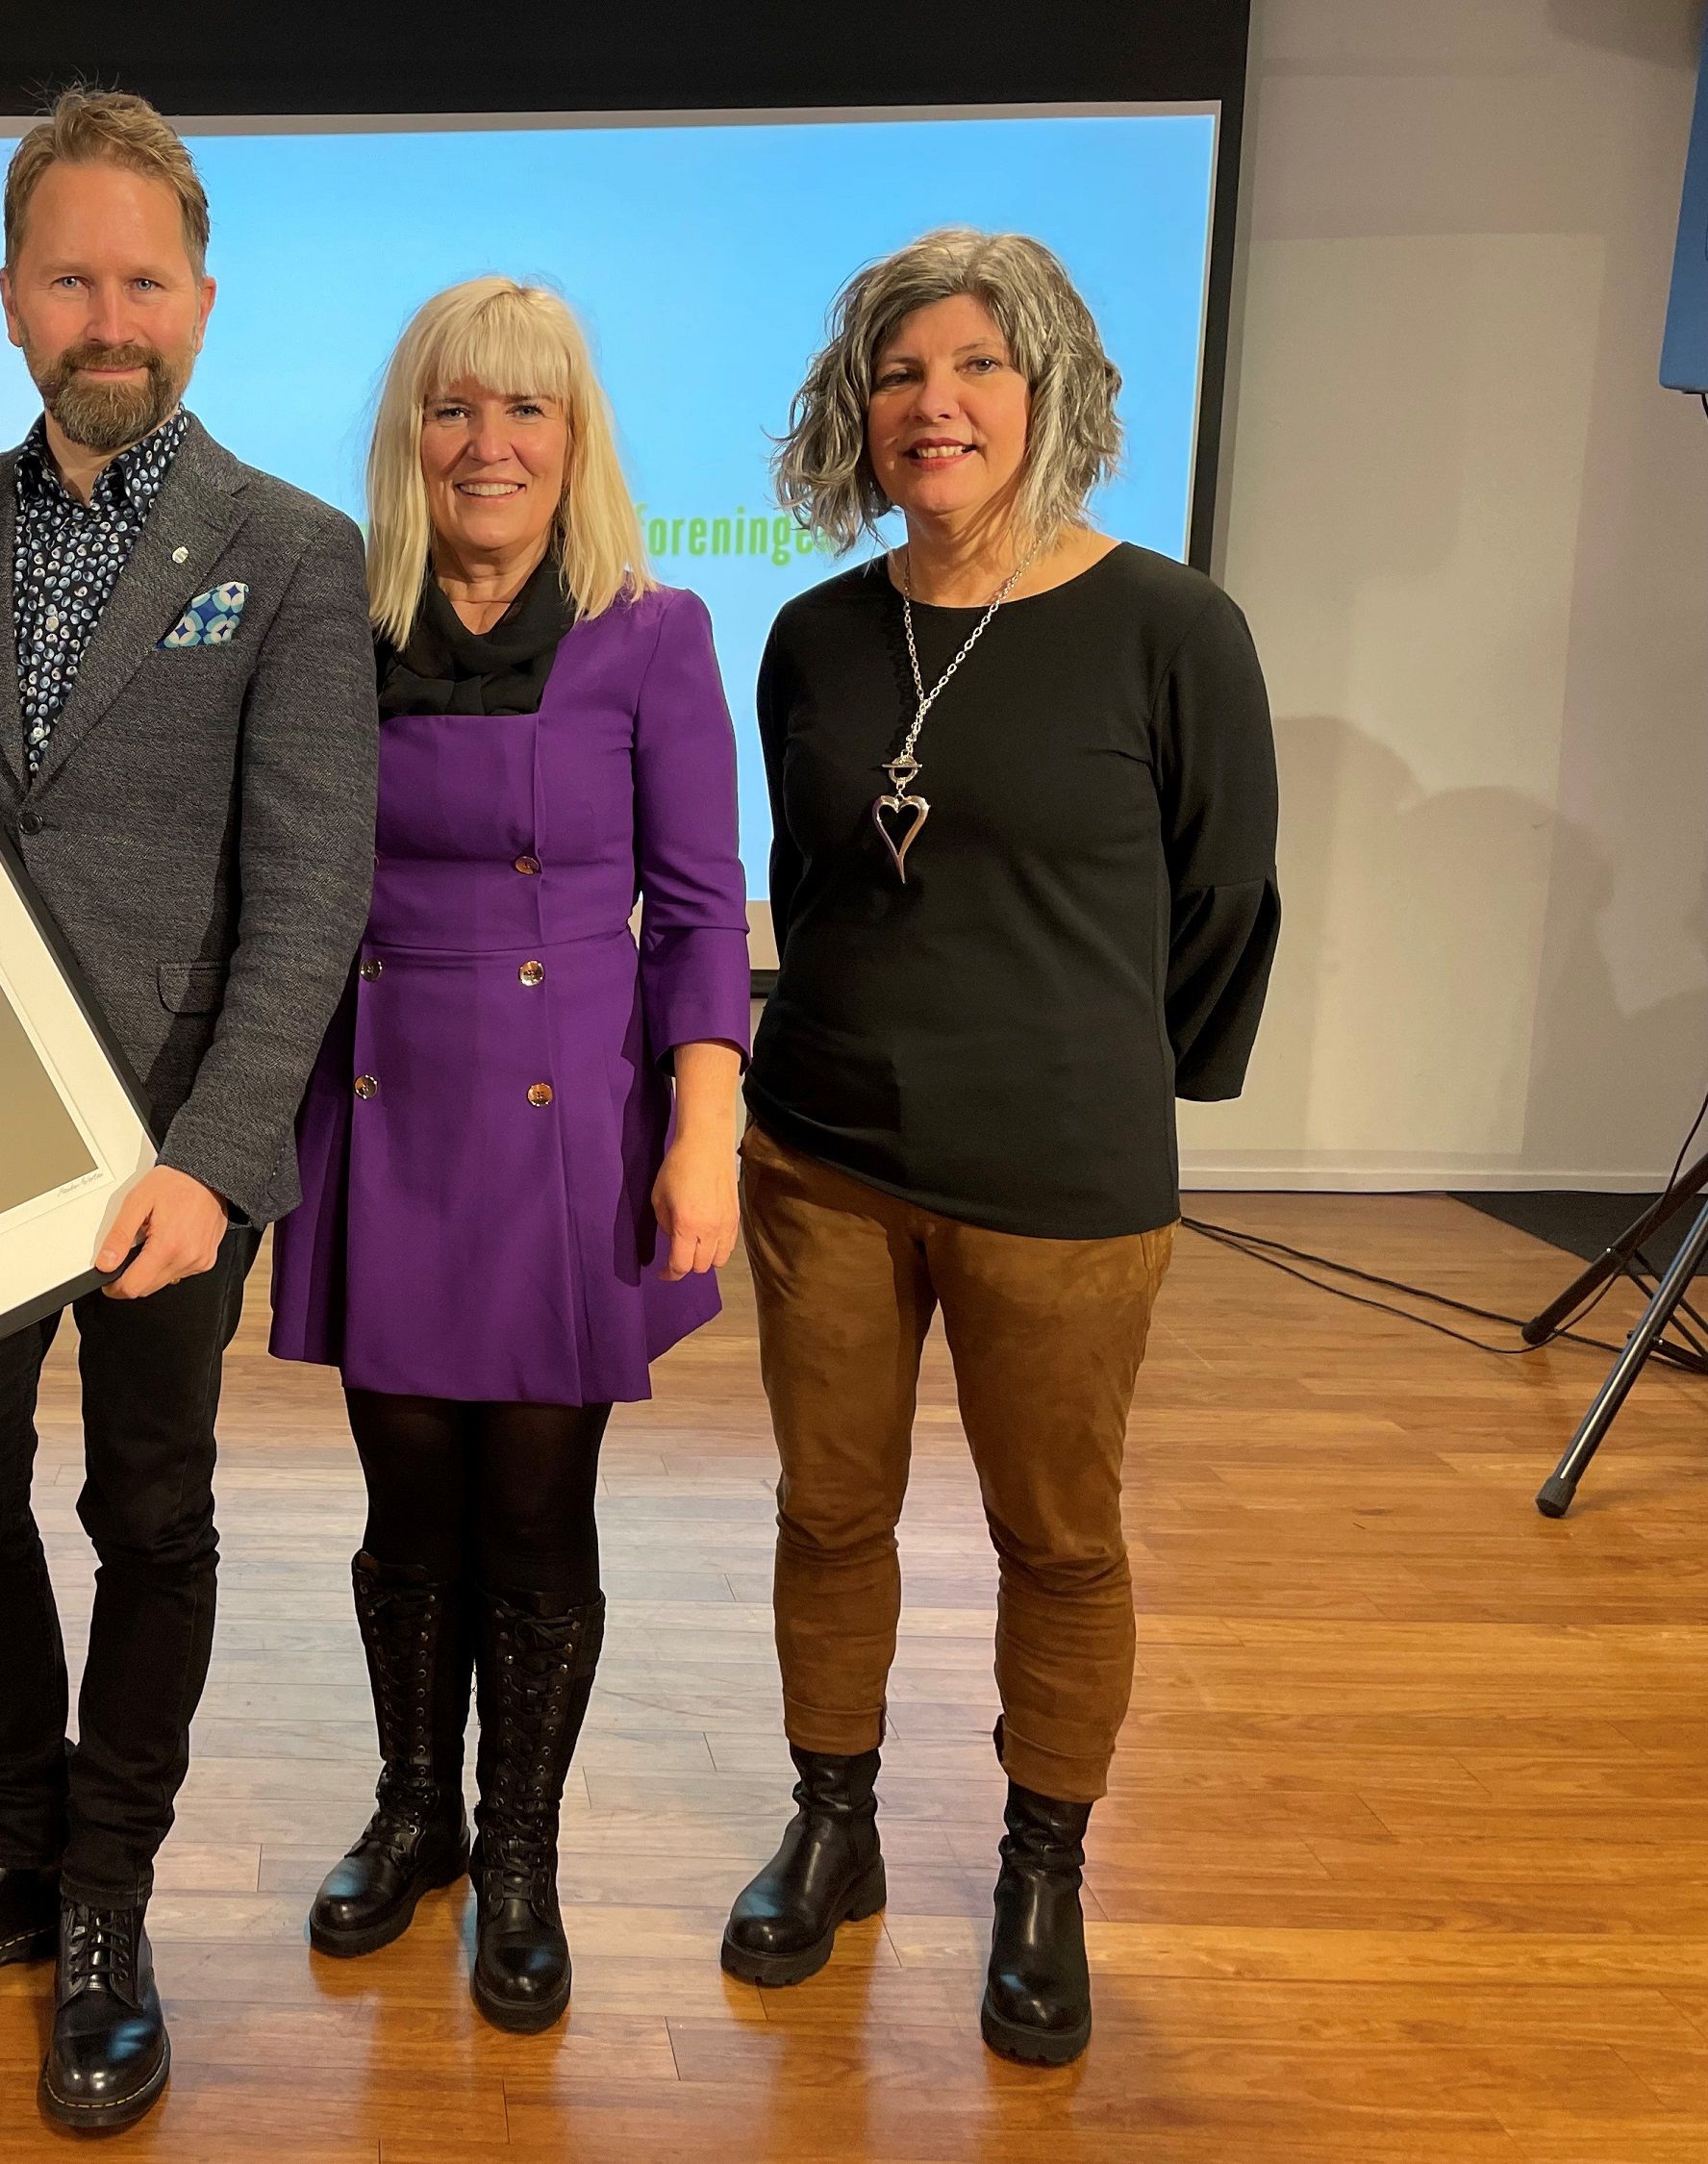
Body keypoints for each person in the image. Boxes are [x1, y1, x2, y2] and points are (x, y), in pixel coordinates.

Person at [0, 90, 374, 2131]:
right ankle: (13, 1844)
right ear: (10, 297)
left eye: (143, 280)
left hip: (162, 1156)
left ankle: (113, 1890)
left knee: (150, 1511)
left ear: (201, 301)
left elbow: (310, 890)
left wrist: (216, 1159)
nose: (106, 316)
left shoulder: (296, 553)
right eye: (70, 278)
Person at [727, 229, 1280, 2066]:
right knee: (829, 1511)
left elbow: (1225, 900)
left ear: (1048, 391)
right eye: (900, 372)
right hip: (822, 1155)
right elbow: (813, 887)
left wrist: (1100, 1077)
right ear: (857, 410)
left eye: (976, 365)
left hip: (1060, 1183)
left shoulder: (1172, 628)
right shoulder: (814, 636)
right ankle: (836, 1821)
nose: (934, 402)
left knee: (1056, 1536)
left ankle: (1044, 1871)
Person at [268, 278, 753, 2034]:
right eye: (455, 407)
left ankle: (521, 1846)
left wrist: (707, 1130)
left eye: (527, 409)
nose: (490, 444)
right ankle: (416, 1810)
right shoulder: (337, 624)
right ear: (412, 433)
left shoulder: (652, 632)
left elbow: (700, 908)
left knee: (538, 1506)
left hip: (571, 1121)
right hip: (381, 1099)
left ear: (575, 437)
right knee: (406, 1500)